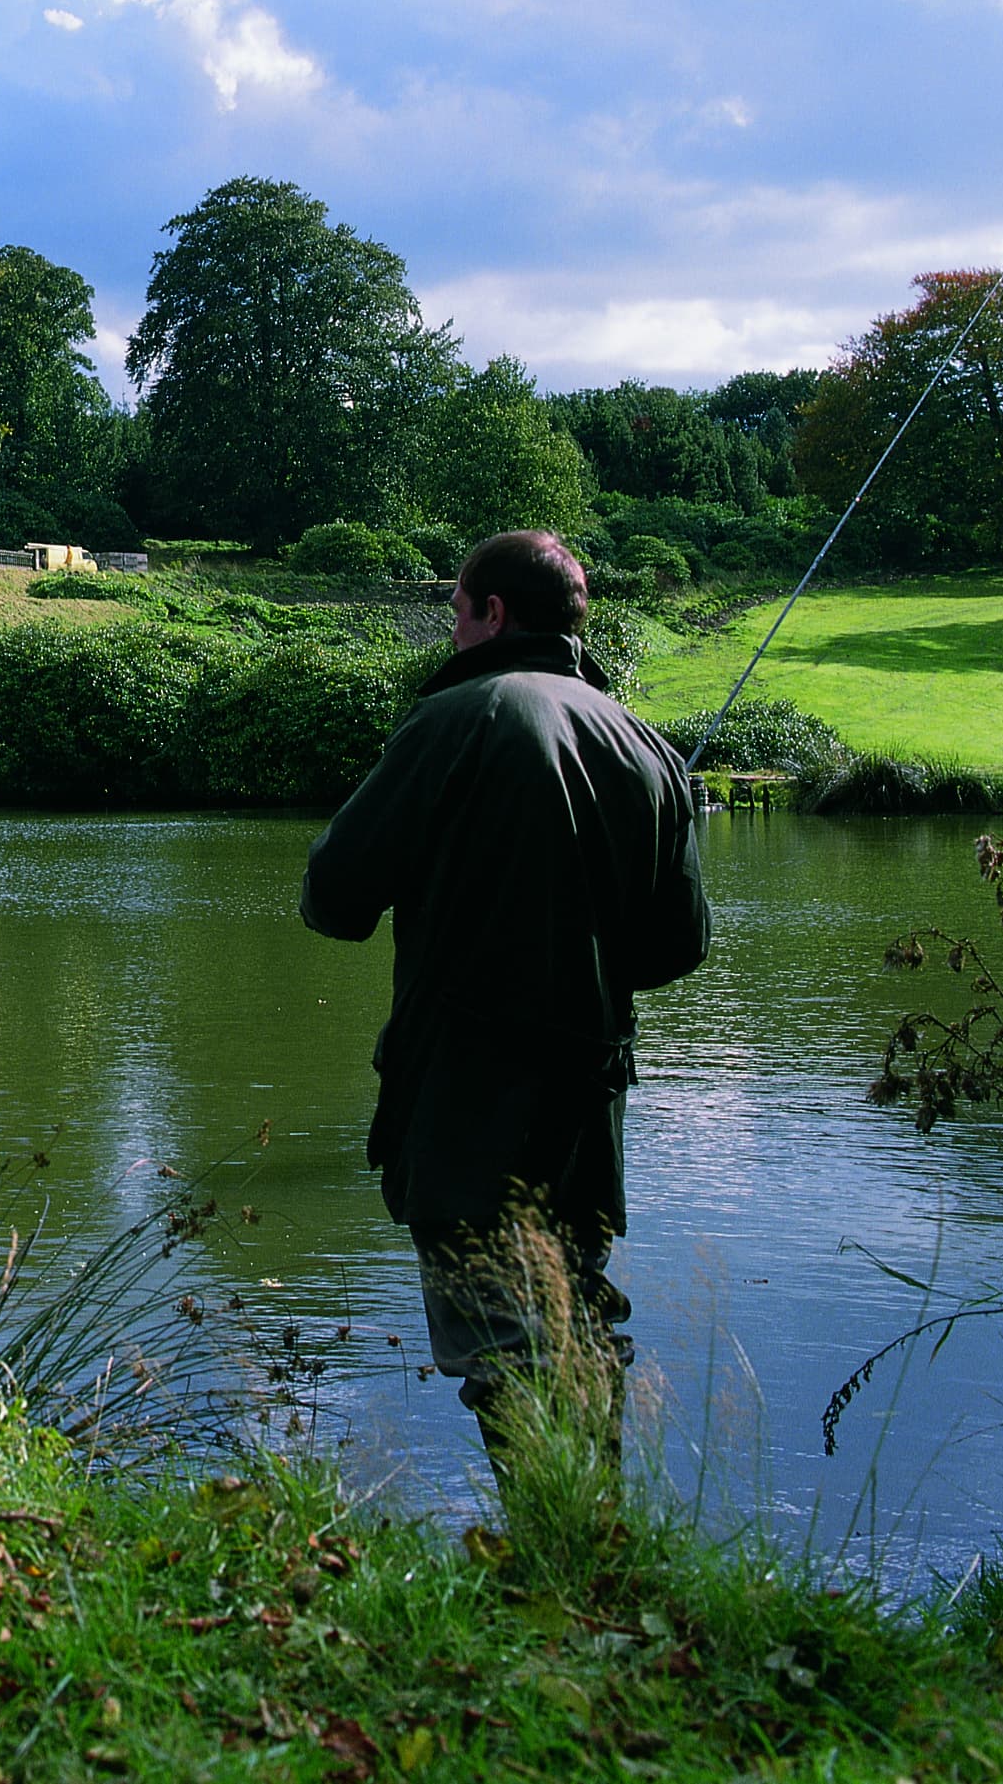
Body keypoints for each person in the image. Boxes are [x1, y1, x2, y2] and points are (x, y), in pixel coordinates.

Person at [300, 529, 709, 1469]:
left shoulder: (453, 718)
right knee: (577, 1322)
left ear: (491, 613)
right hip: (589, 1106)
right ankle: (592, 1545)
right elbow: (676, 946)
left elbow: (334, 896)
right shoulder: (647, 746)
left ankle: (554, 1565)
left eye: (456, 612)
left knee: (502, 1339)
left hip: (464, 1102)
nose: (451, 633)